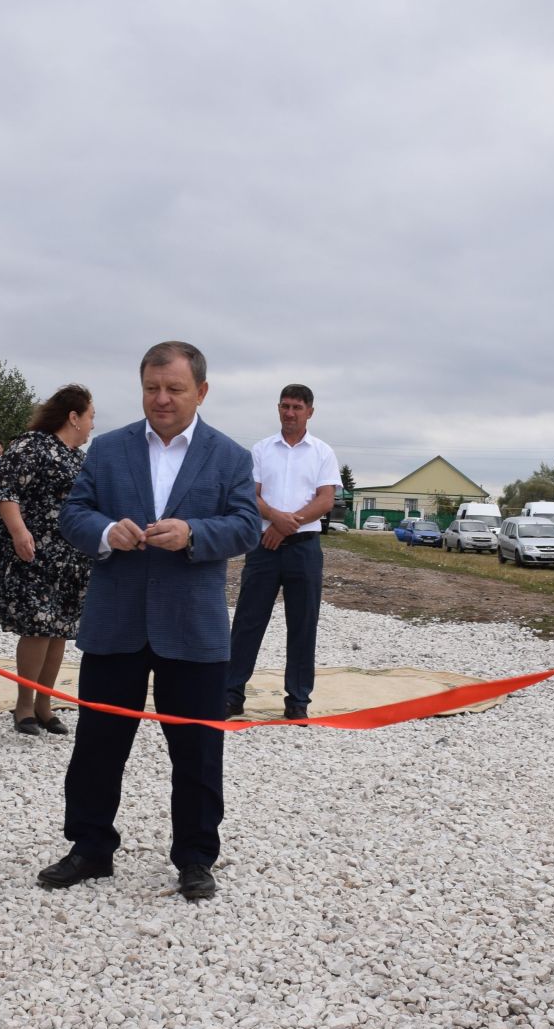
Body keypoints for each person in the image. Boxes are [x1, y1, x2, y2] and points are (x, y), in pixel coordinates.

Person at [40, 342, 260, 901]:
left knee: (198, 753)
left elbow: (246, 526)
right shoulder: (109, 450)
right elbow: (73, 514)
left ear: (201, 392)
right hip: (116, 624)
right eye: (151, 388)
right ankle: (90, 847)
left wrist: (194, 534)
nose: (161, 399)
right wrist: (104, 533)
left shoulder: (230, 457)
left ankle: (195, 857)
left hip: (194, 630)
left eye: (175, 389)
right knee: (97, 745)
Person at [0, 386, 96, 735]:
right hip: (32, 551)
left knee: (59, 629)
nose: (92, 425)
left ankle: (45, 703)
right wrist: (18, 532)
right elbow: (7, 492)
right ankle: (24, 706)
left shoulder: (77, 457)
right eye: (90, 416)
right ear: (73, 417)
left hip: (69, 556)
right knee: (38, 626)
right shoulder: (30, 445)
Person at [225, 384, 340, 721]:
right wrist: (274, 519)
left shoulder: (322, 453)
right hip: (264, 548)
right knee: (248, 621)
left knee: (303, 624)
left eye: (297, 407)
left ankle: (298, 701)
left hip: (303, 548)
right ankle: (231, 695)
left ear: (310, 412)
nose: (290, 413)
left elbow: (325, 500)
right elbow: (252, 495)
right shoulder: (261, 450)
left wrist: (287, 524)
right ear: (278, 408)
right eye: (285, 406)